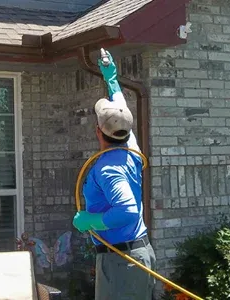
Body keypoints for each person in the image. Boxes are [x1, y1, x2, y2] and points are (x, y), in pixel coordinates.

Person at [72, 50, 156, 300]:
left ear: (98, 131)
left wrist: (91, 221)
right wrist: (111, 79)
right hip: (135, 254)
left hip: (123, 261)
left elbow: (127, 210)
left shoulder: (108, 168)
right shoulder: (131, 144)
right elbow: (121, 107)